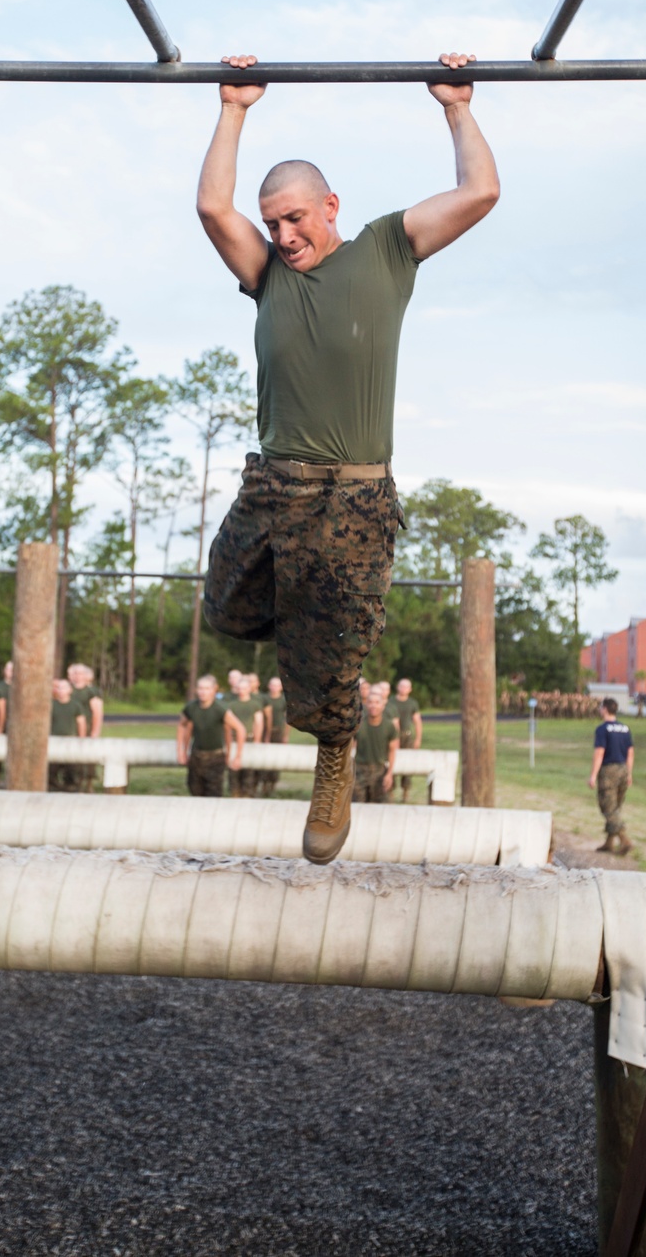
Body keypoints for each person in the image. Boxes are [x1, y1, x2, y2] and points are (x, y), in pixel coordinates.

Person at [196, 47, 499, 861]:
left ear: (330, 205)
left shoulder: (386, 250)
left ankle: (333, 755)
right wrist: (233, 110)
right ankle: (312, 637)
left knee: (332, 662)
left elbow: (482, 192)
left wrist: (456, 107)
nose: (285, 235)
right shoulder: (266, 276)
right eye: (275, 224)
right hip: (275, 488)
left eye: (297, 217)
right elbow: (210, 208)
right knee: (223, 607)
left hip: (356, 497)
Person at [177, 675, 246, 797]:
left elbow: (240, 729)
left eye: (207, 688)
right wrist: (181, 751)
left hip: (215, 757)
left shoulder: (220, 708)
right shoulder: (191, 707)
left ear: (214, 690)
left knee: (213, 794)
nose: (203, 692)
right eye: (200, 688)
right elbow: (182, 726)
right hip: (196, 756)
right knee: (194, 790)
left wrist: (237, 756)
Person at [589, 697, 635, 856]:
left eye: (601, 707)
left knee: (608, 807)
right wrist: (629, 773)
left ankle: (624, 840)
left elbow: (599, 753)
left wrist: (593, 776)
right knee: (615, 807)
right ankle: (609, 843)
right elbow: (630, 753)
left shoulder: (602, 729)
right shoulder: (625, 728)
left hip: (609, 771)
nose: (600, 709)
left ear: (605, 709)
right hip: (623, 769)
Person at [352, 686, 398, 804]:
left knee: (383, 807)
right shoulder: (358, 725)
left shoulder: (389, 726)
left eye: (377, 703)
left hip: (380, 771)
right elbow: (348, 748)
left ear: (383, 706)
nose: (374, 706)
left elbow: (393, 751)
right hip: (359, 771)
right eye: (370, 702)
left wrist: (389, 774)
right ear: (366, 704)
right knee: (356, 807)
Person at [228, 674, 265, 797]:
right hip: (234, 740)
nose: (242, 691)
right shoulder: (231, 705)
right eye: (240, 688)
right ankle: (234, 795)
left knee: (248, 771)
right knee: (233, 771)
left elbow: (258, 723)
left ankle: (247, 796)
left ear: (249, 689)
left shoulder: (255, 704)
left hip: (249, 739)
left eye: (245, 688)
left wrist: (257, 740)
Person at [393, 677, 423, 803]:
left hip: (407, 736)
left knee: (407, 763)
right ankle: (390, 792)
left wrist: (418, 738)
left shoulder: (412, 703)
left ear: (410, 689)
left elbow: (417, 721)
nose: (403, 689)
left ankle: (406, 793)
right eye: (401, 686)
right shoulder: (391, 702)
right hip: (393, 736)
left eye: (406, 686)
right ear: (397, 687)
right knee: (391, 763)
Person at [258, 674, 287, 798]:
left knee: (276, 757)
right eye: (272, 685)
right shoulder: (264, 698)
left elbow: (287, 719)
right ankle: (263, 784)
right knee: (264, 757)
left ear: (280, 687)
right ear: (269, 686)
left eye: (277, 685)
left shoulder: (284, 700)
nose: (274, 687)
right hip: (264, 731)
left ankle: (272, 785)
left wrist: (285, 735)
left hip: (278, 731)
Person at [68, 663, 105, 738]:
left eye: (80, 673)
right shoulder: (68, 690)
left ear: (86, 675)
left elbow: (97, 713)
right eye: (75, 673)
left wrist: (95, 732)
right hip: (70, 731)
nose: (77, 676)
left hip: (86, 731)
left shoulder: (92, 692)